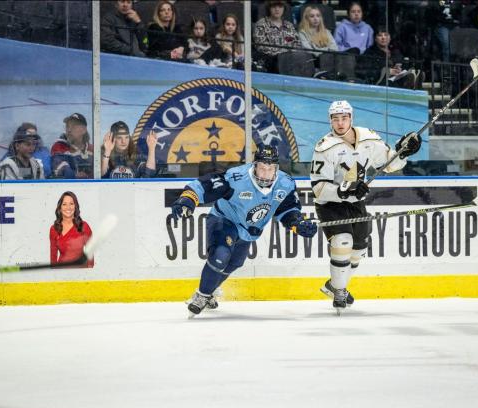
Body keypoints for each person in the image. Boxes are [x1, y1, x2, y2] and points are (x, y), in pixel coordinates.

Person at [169, 144, 318, 316]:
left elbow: (287, 209)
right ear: (255, 165)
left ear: (276, 168)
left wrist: (297, 223)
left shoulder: (285, 183)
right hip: (224, 220)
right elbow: (206, 185)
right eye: (262, 167)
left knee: (234, 263)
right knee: (220, 256)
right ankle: (201, 296)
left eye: (270, 168)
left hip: (248, 231)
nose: (265, 173)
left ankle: (209, 291)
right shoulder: (237, 177)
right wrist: (187, 199)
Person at [310, 100, 421, 310]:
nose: (340, 123)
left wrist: (403, 152)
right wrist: (344, 190)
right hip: (330, 204)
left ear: (351, 118)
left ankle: (334, 285)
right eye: (336, 119)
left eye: (344, 118)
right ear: (330, 121)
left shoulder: (369, 139)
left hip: (356, 202)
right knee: (342, 241)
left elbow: (388, 164)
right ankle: (340, 292)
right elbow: (318, 187)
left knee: (359, 250)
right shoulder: (324, 147)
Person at [356, 26, 420, 88]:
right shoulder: (370, 53)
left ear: (390, 38)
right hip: (381, 83)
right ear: (375, 39)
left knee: (415, 73)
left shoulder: (396, 52)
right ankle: (408, 84)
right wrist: (387, 72)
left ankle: (411, 81)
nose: (383, 38)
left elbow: (402, 64)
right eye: (380, 35)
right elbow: (362, 71)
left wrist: (398, 69)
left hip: (396, 79)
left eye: (386, 35)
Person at [253, 0, 301, 73]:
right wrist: (283, 54)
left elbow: (297, 43)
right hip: (271, 62)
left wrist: (289, 54)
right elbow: (261, 47)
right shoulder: (261, 24)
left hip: (291, 60)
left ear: (284, 9)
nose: (277, 9)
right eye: (274, 6)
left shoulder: (289, 25)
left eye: (280, 6)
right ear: (269, 8)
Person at [49, 191, 94, 268]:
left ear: (75, 206)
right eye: (64, 204)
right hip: (61, 272)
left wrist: (89, 273)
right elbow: (53, 257)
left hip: (82, 273)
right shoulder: (54, 229)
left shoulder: (84, 226)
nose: (68, 207)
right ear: (60, 207)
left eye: (71, 204)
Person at [51, 113, 93, 179]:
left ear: (84, 130)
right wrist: (75, 175)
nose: (69, 130)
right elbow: (61, 169)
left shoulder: (92, 149)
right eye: (67, 126)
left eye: (73, 126)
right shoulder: (59, 147)